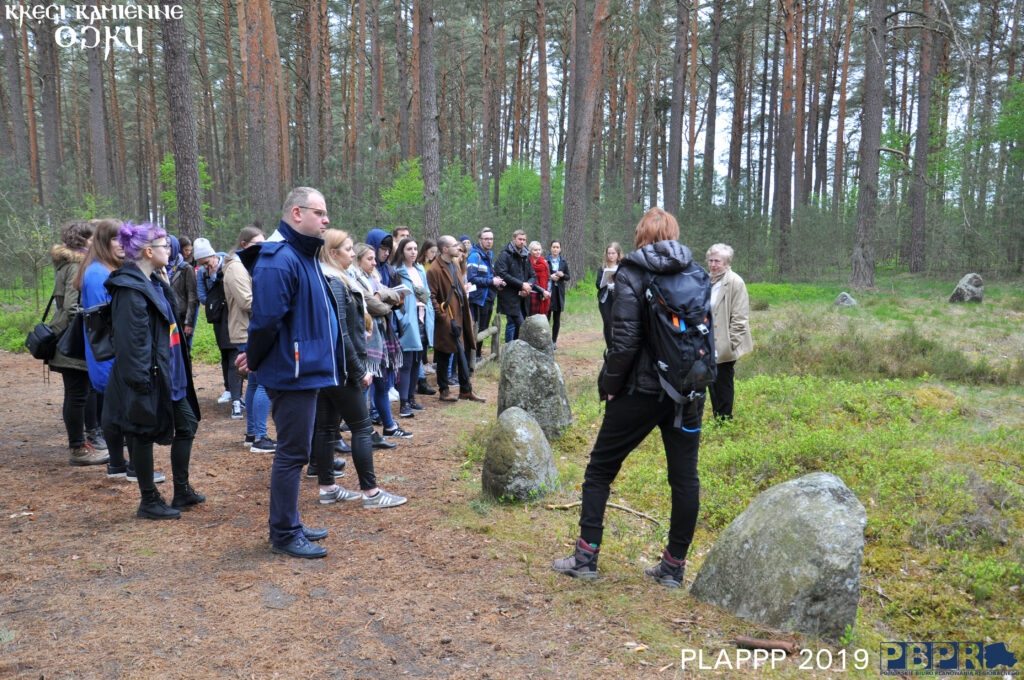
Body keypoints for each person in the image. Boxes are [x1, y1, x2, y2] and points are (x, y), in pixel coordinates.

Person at [553, 208, 703, 588]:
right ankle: (673, 566)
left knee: (600, 469)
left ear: (640, 237)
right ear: (673, 234)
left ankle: (586, 558)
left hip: (641, 390)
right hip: (688, 392)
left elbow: (624, 343)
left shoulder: (631, 274)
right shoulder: (697, 273)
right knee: (685, 479)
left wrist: (608, 384)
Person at [235, 187, 334, 559]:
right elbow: (265, 321)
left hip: (304, 369)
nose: (326, 220)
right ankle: (284, 532)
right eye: (320, 213)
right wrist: (255, 358)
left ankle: (290, 519)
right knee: (292, 454)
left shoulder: (301, 254)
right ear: (297, 213)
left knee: (296, 451)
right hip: (292, 372)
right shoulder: (279, 259)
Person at [104, 222, 204, 520]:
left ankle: (182, 490)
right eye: (164, 246)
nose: (170, 250)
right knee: (141, 432)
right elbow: (131, 344)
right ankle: (149, 500)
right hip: (148, 379)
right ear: (149, 252)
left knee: (187, 424)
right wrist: (142, 384)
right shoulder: (130, 290)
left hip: (170, 373)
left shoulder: (155, 283)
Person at [315, 229, 407, 507]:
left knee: (325, 428)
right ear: (333, 253)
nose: (353, 253)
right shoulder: (335, 282)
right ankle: (371, 493)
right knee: (362, 428)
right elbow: (341, 333)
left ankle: (328, 488)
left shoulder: (326, 278)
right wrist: (359, 370)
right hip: (343, 369)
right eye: (347, 249)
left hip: (327, 368)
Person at [75, 219, 159, 483]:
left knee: (112, 411)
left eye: (123, 239)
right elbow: (109, 320)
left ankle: (117, 464)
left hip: (108, 352)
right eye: (115, 239)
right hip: (111, 354)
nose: (122, 245)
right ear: (103, 241)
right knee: (126, 409)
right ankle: (134, 466)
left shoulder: (103, 269)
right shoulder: (99, 274)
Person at [49, 220, 108, 466]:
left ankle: (86, 440)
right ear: (85, 240)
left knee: (80, 392)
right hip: (73, 340)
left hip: (70, 337)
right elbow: (74, 308)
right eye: (95, 238)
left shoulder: (73, 263)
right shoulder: (76, 265)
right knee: (76, 395)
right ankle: (78, 448)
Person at [223, 225, 275, 452]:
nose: (261, 249)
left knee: (254, 382)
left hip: (250, 329)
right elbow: (246, 301)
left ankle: (253, 433)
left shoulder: (243, 265)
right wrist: (275, 307)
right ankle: (260, 437)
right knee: (263, 381)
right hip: (247, 330)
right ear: (244, 244)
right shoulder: (235, 266)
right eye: (257, 244)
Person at [351, 242, 412, 440]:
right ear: (358, 260)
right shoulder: (356, 280)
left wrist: (382, 295)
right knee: (364, 385)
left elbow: (395, 294)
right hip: (368, 338)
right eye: (369, 259)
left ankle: (389, 426)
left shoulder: (373, 279)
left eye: (373, 258)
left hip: (382, 336)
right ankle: (361, 430)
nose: (374, 262)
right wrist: (385, 304)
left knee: (382, 384)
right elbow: (375, 306)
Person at [427, 236, 486, 403]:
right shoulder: (434, 270)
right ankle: (444, 391)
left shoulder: (454, 264)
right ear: (445, 249)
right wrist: (443, 317)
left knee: (463, 352)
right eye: (454, 246)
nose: (458, 248)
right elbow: (431, 298)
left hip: (460, 315)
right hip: (447, 318)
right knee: (444, 353)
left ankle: (466, 390)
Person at [706, 243, 753, 420]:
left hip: (725, 343)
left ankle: (725, 419)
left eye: (717, 261)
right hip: (709, 340)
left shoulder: (735, 282)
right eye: (710, 260)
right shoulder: (707, 280)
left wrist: (731, 344)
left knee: (723, 380)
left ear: (727, 263)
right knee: (711, 379)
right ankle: (717, 416)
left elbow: (740, 318)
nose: (713, 264)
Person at [195, 237, 241, 416]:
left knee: (234, 354)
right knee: (225, 353)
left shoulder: (230, 265)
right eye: (201, 265)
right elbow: (203, 296)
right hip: (218, 318)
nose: (206, 267)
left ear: (214, 256)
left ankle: (238, 396)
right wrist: (217, 300)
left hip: (234, 317)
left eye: (206, 263)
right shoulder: (202, 273)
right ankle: (230, 389)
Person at [392, 237, 434, 417]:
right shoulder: (396, 271)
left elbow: (427, 293)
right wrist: (403, 319)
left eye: (415, 249)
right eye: (409, 249)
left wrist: (429, 313)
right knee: (407, 362)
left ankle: (411, 398)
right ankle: (403, 404)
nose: (413, 252)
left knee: (418, 360)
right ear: (402, 251)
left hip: (423, 318)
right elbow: (394, 298)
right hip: (408, 321)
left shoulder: (419, 270)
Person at [466, 228, 503, 358]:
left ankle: (477, 355)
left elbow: (489, 276)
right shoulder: (475, 256)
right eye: (486, 239)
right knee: (477, 328)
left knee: (484, 327)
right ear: (480, 240)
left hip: (488, 298)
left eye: (491, 239)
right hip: (478, 299)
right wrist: (491, 282)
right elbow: (471, 278)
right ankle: (473, 357)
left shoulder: (489, 255)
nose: (489, 241)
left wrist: (497, 283)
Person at [493, 229, 535, 342]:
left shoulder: (526, 255)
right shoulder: (505, 254)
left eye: (524, 240)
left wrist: (528, 286)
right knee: (520, 324)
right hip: (509, 296)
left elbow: (532, 275)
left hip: (524, 296)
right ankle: (509, 348)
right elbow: (502, 273)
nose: (522, 242)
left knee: (519, 328)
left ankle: (516, 351)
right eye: (520, 239)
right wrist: (521, 285)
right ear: (513, 239)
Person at [167, 235, 199, 347]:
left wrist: (189, 322)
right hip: (168, 315)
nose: (188, 253)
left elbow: (192, 296)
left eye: (190, 250)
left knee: (184, 348)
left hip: (181, 315)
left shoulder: (186, 268)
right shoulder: (162, 268)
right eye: (186, 250)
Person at [597, 242, 623, 348]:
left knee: (618, 323)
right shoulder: (602, 268)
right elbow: (598, 285)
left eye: (613, 253)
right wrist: (606, 281)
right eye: (609, 253)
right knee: (608, 322)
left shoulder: (622, 267)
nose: (611, 256)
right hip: (605, 299)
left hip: (618, 299)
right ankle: (610, 348)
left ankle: (619, 346)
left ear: (618, 254)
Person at [545, 239, 570, 349]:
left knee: (557, 318)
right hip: (548, 291)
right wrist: (550, 277)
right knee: (546, 316)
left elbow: (568, 277)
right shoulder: (545, 260)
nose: (555, 249)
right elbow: (541, 274)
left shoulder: (563, 262)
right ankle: (545, 341)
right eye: (553, 247)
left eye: (557, 247)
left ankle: (554, 341)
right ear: (550, 248)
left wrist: (562, 275)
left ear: (560, 249)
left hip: (559, 292)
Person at [528, 241, 552, 317]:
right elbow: (529, 280)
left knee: (543, 318)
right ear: (530, 251)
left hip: (544, 295)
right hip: (532, 292)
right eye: (535, 250)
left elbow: (549, 278)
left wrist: (548, 291)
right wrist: (542, 291)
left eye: (539, 250)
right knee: (533, 317)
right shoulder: (527, 262)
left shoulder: (545, 262)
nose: (538, 252)